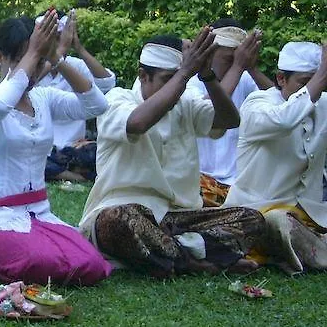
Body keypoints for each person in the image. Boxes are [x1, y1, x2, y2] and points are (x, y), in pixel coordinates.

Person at [79, 30, 266, 277]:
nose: (176, 88)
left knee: (251, 219)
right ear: (143, 76)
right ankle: (194, 261)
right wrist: (185, 74)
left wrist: (208, 76)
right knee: (119, 220)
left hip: (179, 218)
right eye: (168, 79)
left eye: (179, 80)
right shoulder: (117, 99)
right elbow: (138, 123)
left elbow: (229, 120)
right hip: (127, 212)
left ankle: (173, 255)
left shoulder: (185, 98)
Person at [0, 13, 111, 285]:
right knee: (40, 262)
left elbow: (97, 106)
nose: (31, 69)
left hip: (38, 214)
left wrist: (57, 58)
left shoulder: (43, 97)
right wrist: (34, 53)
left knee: (90, 263)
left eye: (38, 61)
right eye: (21, 59)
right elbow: (0, 105)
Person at [224, 42, 327, 274]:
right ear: (281, 79)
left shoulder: (323, 103)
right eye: (304, 82)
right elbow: (284, 119)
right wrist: (321, 78)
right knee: (279, 222)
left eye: (318, 81)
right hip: (258, 213)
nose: (312, 89)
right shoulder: (257, 104)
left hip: (311, 213)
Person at [185, 20, 272, 206]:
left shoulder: (246, 79)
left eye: (237, 59)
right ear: (210, 55)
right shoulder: (190, 82)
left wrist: (251, 68)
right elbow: (209, 111)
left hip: (238, 185)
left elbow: (280, 104)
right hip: (199, 182)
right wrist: (238, 67)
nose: (233, 65)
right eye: (228, 60)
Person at [34, 10, 116, 183]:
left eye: (59, 38)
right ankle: (72, 175)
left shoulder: (75, 65)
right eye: (51, 37)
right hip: (41, 148)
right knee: (28, 157)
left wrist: (78, 48)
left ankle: (62, 172)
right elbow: (26, 83)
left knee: (103, 154)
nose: (55, 43)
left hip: (74, 148)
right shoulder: (33, 67)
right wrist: (59, 53)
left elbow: (107, 84)